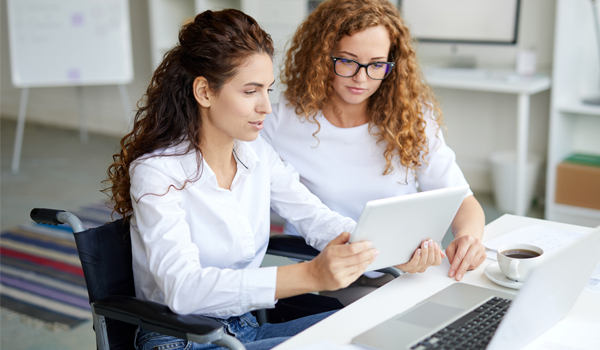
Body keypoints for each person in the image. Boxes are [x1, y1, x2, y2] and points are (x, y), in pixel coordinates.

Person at [103, 9, 379, 350]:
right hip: (182, 339)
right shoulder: (157, 172)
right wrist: (310, 276)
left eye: (268, 90)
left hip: (244, 328)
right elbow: (183, 289)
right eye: (251, 91)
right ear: (204, 92)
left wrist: (384, 246)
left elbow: (314, 217)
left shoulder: (256, 153)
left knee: (374, 328)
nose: (266, 106)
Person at [261, 0, 487, 304]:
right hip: (331, 279)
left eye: (377, 65)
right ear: (321, 56)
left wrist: (468, 239)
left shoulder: (412, 117)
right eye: (347, 61)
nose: (361, 78)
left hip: (408, 271)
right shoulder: (279, 123)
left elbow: (462, 199)